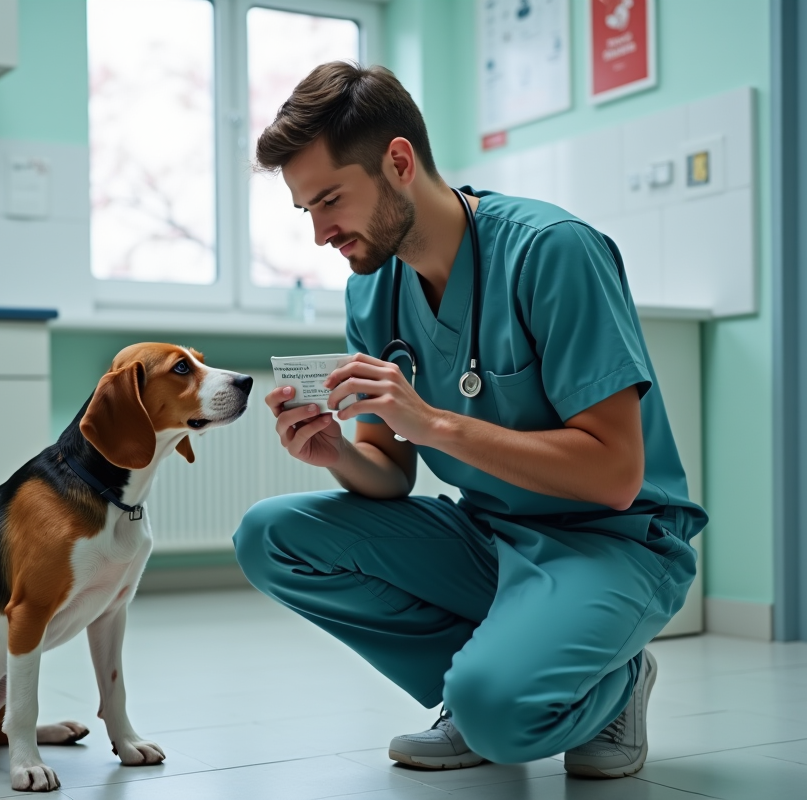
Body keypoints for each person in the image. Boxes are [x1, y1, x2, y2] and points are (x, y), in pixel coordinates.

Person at [232, 62, 706, 778]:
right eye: (307, 212)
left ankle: (608, 685)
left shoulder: (552, 251)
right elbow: (389, 475)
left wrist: (436, 426)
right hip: (491, 537)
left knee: (498, 718)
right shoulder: (373, 293)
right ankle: (484, 679)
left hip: (615, 542)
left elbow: (614, 475)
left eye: (331, 200)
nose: (322, 233)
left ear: (398, 162)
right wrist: (334, 453)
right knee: (271, 534)